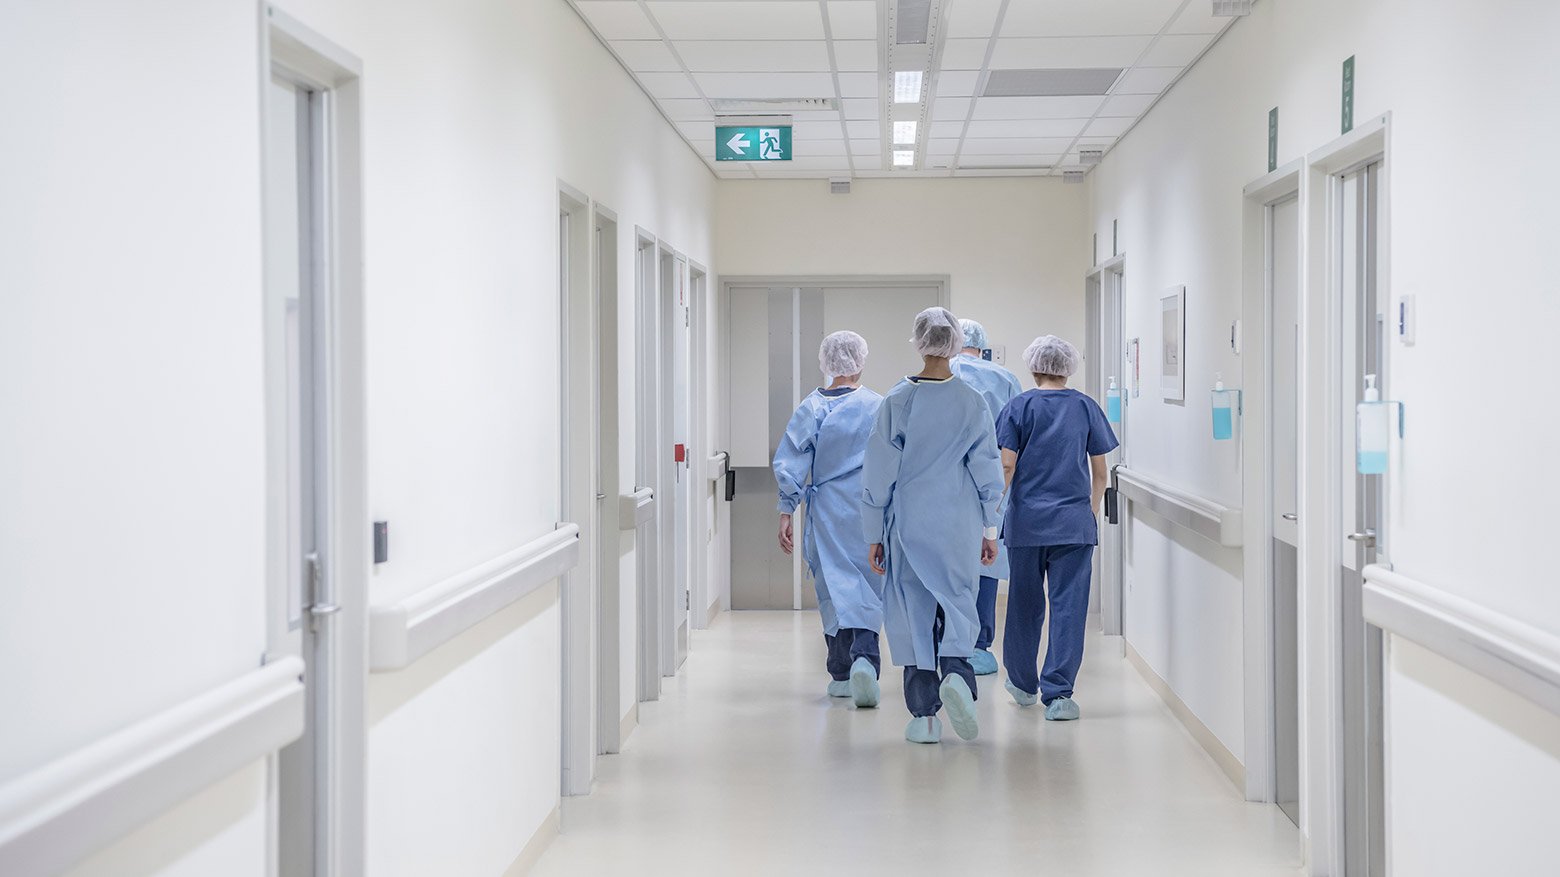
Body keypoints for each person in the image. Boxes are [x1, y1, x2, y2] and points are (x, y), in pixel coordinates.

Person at [861, 307, 1004, 744]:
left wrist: (873, 535)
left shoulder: (896, 403)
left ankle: (923, 716)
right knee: (959, 602)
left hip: (908, 525)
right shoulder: (972, 402)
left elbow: (878, 474)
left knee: (913, 612)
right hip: (958, 524)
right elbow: (988, 473)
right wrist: (990, 529)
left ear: (920, 342)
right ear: (956, 343)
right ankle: (958, 673)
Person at [995, 335, 1119, 721]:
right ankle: (1060, 694)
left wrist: (991, 516)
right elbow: (1100, 473)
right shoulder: (1086, 407)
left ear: (1033, 367)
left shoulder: (1018, 407)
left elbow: (1006, 467)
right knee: (1069, 608)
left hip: (1027, 524)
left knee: (1023, 604)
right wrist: (1090, 512)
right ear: (1068, 368)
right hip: (1073, 526)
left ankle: (1022, 683)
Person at [774, 331, 887, 708]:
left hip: (826, 510)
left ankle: (840, 673)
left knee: (833, 587)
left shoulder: (812, 407)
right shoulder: (878, 405)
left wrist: (786, 509)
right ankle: (866, 662)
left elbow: (791, 462)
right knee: (869, 584)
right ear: (861, 361)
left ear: (826, 363)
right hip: (869, 507)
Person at [951, 319, 1024, 677]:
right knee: (987, 558)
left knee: (942, 566)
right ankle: (978, 647)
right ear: (983, 347)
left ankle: (946, 644)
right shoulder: (1005, 380)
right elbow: (1016, 439)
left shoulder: (937, 375)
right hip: (994, 483)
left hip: (941, 486)